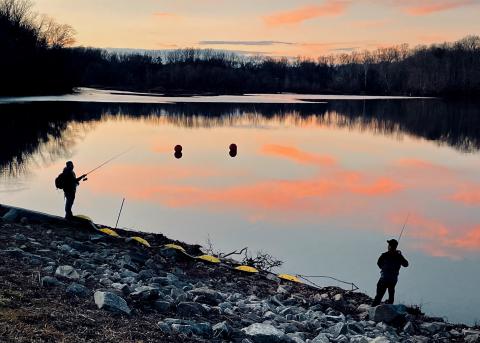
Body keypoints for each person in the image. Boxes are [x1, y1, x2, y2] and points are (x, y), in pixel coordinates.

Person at [372, 239, 409, 306]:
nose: (388, 246)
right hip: (393, 279)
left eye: (389, 245)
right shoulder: (399, 256)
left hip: (384, 278)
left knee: (379, 296)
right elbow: (406, 264)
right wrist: (400, 255)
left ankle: (373, 310)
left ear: (390, 246)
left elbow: (378, 263)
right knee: (391, 296)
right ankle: (390, 310)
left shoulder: (385, 255)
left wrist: (384, 269)